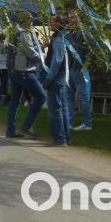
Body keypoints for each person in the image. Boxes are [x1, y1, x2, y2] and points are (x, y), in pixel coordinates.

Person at [6, 12, 47, 138]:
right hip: (25, 71)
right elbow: (30, 53)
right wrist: (44, 56)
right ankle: (27, 126)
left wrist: (40, 46)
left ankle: (10, 129)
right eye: (30, 20)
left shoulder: (14, 32)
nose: (32, 22)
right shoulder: (23, 34)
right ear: (25, 21)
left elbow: (24, 49)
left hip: (15, 70)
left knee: (15, 101)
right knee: (41, 97)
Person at [44, 14, 72, 146]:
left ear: (59, 24)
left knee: (56, 108)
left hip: (57, 76)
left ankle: (60, 139)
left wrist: (49, 77)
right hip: (60, 75)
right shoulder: (60, 37)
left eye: (52, 22)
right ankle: (65, 137)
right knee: (63, 107)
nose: (50, 24)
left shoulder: (59, 39)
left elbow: (57, 60)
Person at [67, 10, 93, 131]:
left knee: (83, 98)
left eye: (73, 17)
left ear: (79, 19)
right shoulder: (69, 34)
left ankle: (87, 124)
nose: (71, 20)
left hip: (80, 70)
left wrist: (86, 65)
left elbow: (93, 50)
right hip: (70, 70)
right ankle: (69, 122)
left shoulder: (85, 33)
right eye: (70, 18)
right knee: (68, 97)